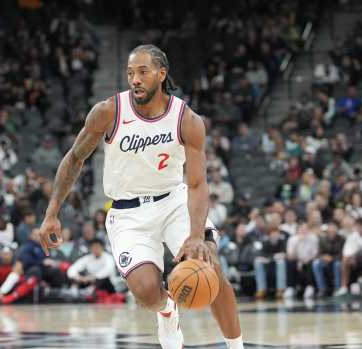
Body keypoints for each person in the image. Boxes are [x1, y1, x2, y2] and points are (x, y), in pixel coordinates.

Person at [38, 44, 244, 349]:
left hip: (173, 202)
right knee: (147, 292)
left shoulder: (186, 119)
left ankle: (236, 346)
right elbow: (74, 158)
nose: (135, 79)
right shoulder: (108, 111)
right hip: (127, 213)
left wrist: (197, 235)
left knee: (210, 267)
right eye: (130, 73)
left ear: (161, 74)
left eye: (143, 72)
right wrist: (51, 212)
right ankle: (167, 309)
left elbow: (198, 185)